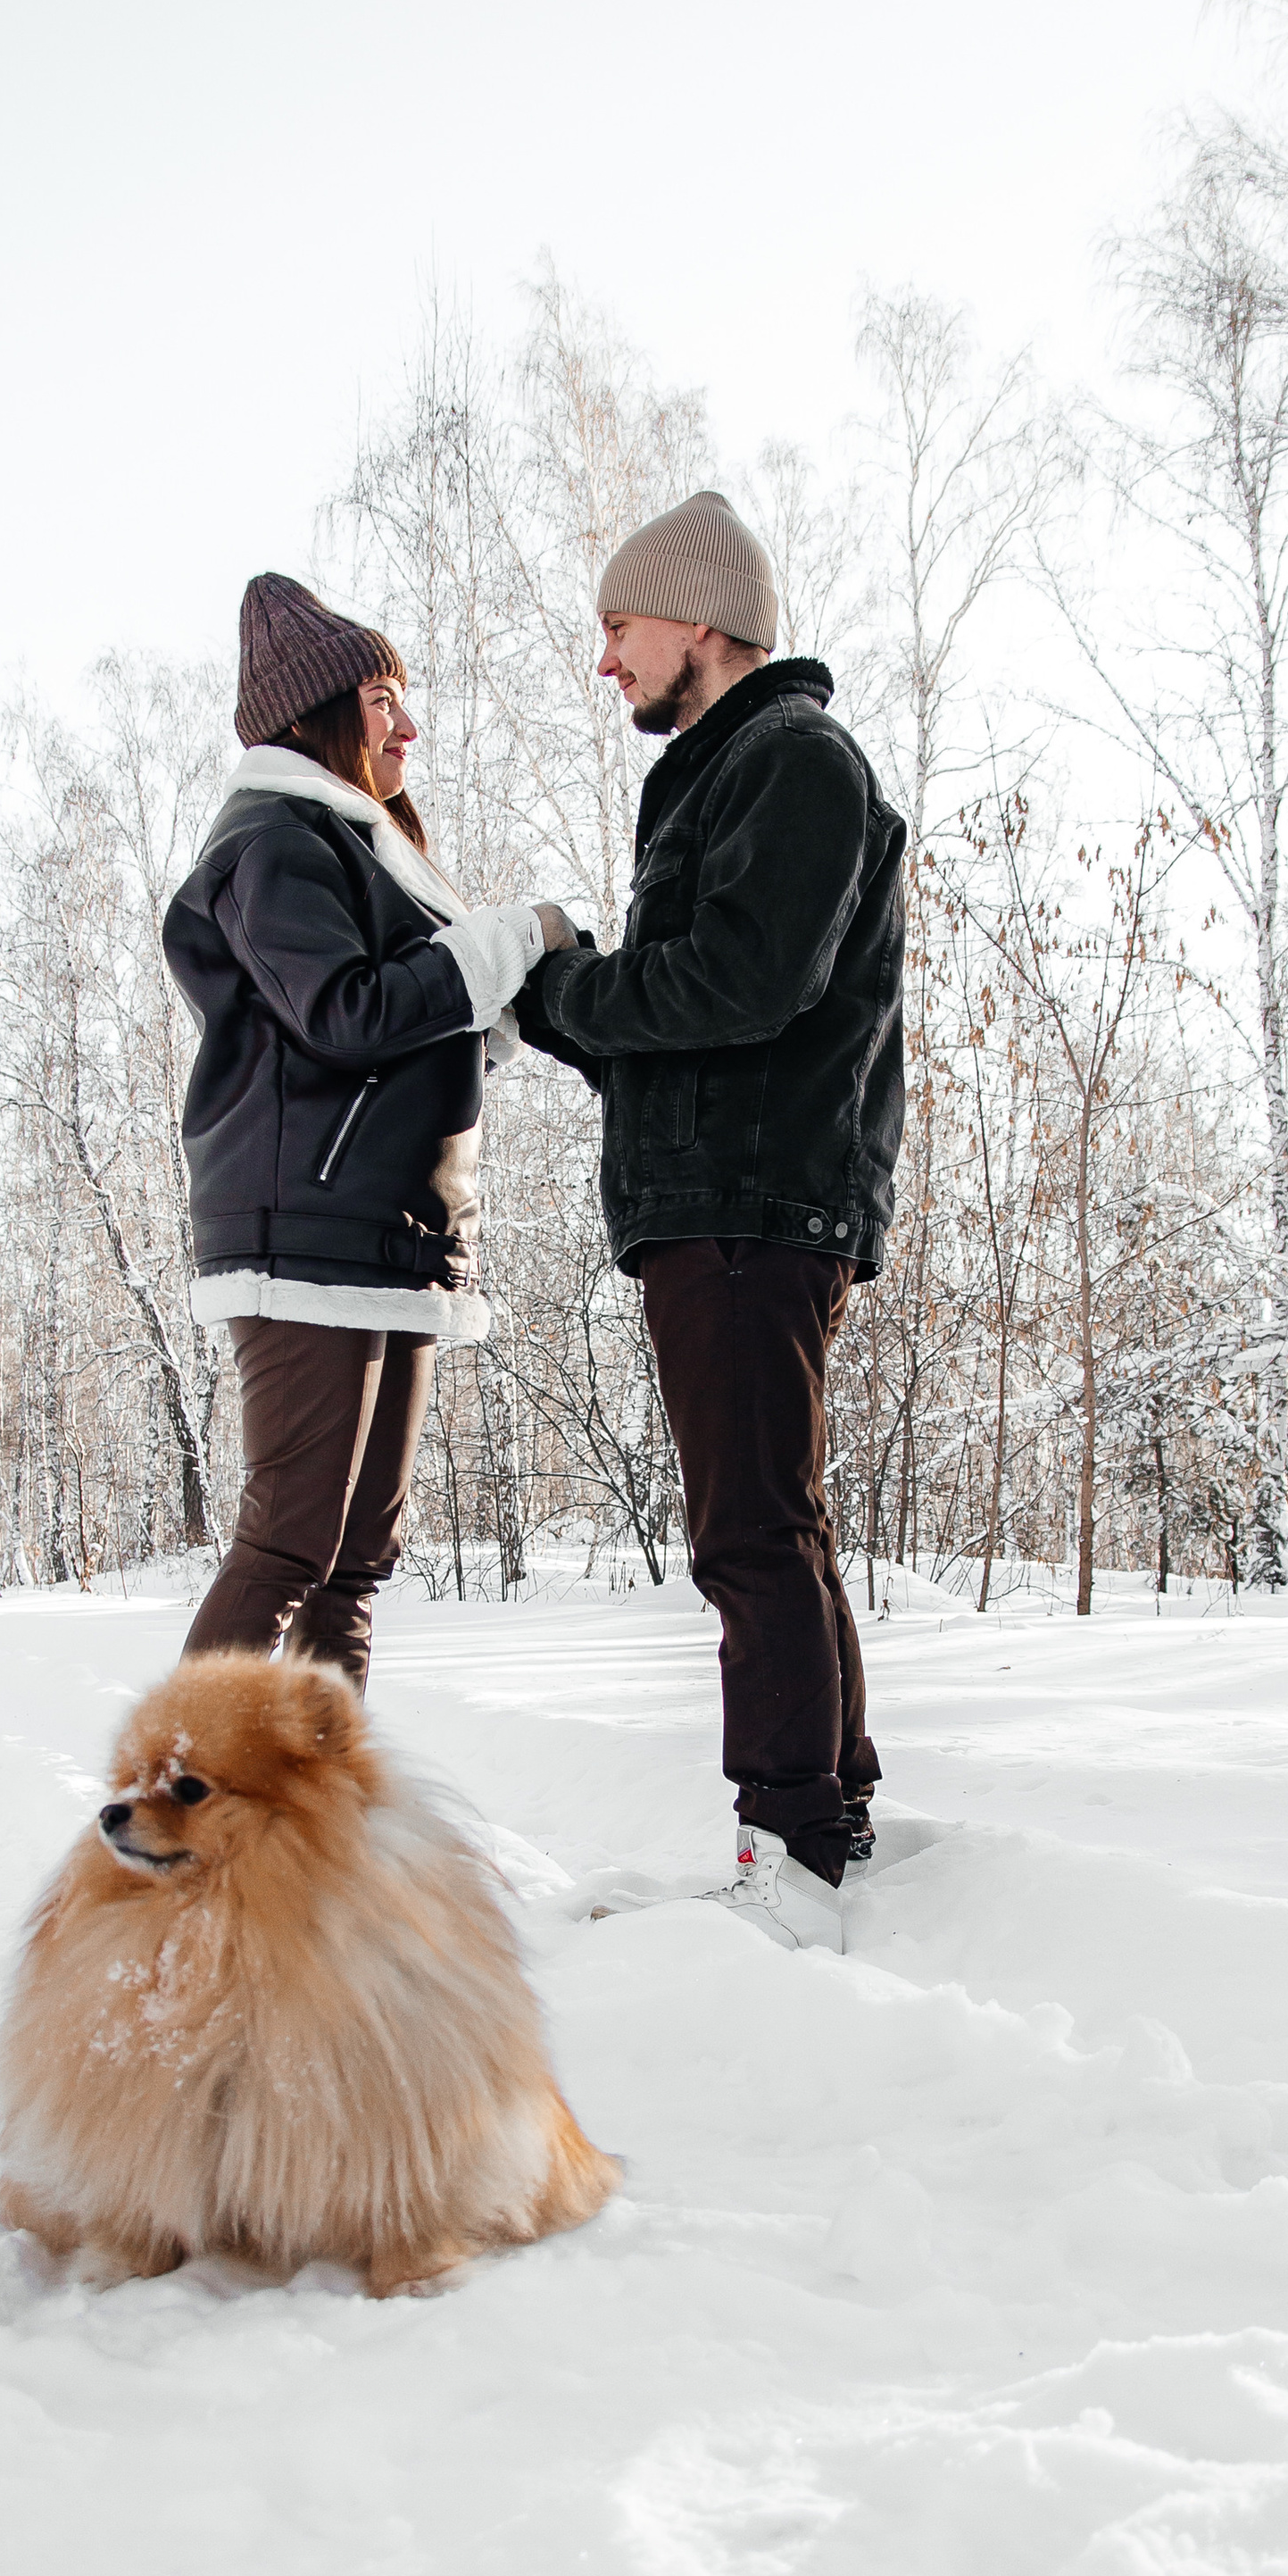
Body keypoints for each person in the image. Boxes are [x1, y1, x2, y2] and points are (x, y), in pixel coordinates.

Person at [515, 491, 908, 1951]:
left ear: (698, 619)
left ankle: (793, 1855)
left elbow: (745, 984)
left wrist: (566, 989)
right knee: (772, 1520)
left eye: (619, 626)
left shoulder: (791, 760)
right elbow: (693, 1014)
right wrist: (567, 1002)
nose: (605, 659)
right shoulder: (728, 771)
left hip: (753, 1200)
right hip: (728, 1197)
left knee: (749, 1530)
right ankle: (827, 1821)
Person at [164, 572, 575, 1689]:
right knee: (291, 1545)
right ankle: (178, 1794)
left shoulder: (353, 844)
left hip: (387, 1233)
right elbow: (346, 1015)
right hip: (307, 1233)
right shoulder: (276, 841)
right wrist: (505, 939)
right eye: (383, 699)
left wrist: (499, 997)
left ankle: (313, 1787)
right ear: (319, 714)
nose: (408, 726)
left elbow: (403, 1033)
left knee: (353, 1563)